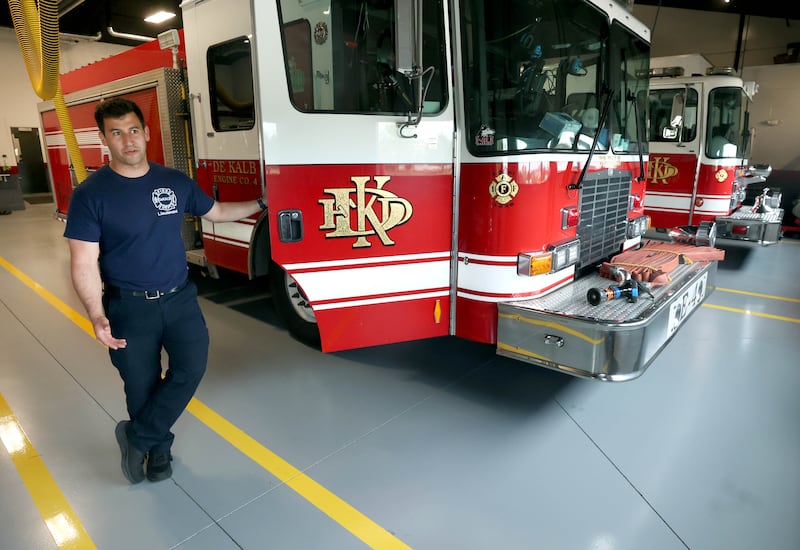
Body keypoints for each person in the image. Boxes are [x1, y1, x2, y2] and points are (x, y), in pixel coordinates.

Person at [64, 97, 267, 484]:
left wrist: (261, 202)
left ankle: (138, 437)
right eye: (117, 132)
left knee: (191, 368)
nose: (128, 140)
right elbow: (83, 262)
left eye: (134, 130)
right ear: (104, 138)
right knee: (140, 385)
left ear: (147, 133)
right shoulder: (91, 195)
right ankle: (159, 452)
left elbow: (217, 212)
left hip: (179, 299)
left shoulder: (173, 182)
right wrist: (96, 314)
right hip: (129, 306)